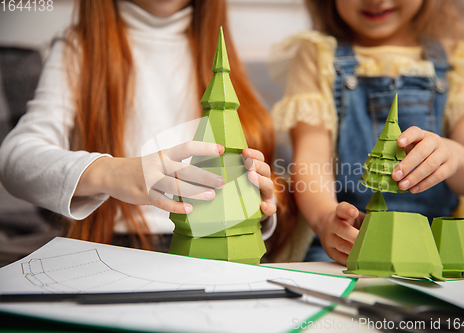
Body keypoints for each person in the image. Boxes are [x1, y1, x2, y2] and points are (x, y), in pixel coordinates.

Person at [0, 0, 292, 253]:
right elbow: (15, 159)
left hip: (216, 247)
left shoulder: (219, 52)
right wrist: (110, 172)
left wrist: (255, 209)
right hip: (117, 246)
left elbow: (262, 197)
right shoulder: (79, 46)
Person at [270, 0, 464, 263]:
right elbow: (311, 162)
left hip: (434, 245)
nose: (375, 0)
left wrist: (456, 157)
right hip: (349, 244)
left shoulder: (457, 58)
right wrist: (325, 220)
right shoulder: (317, 54)